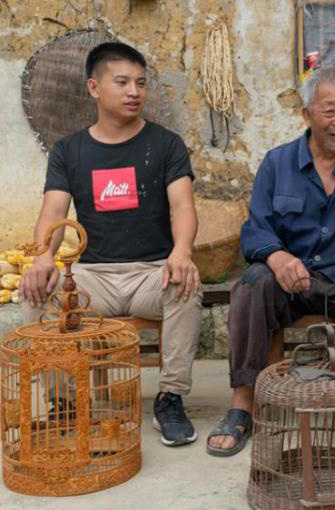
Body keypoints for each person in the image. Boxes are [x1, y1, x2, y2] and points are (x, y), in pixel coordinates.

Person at [206, 66, 335, 457]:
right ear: (306, 114)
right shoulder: (277, 164)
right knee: (251, 284)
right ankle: (242, 404)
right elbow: (256, 229)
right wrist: (278, 258)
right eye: (329, 111)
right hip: (291, 282)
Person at [19, 42, 203, 447]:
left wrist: (181, 252)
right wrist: (44, 258)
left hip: (150, 274)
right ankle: (64, 403)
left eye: (140, 82)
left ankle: (170, 398)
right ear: (94, 87)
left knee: (186, 284)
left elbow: (183, 206)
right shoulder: (69, 150)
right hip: (92, 279)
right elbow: (52, 213)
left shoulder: (166, 144)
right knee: (37, 291)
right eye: (121, 82)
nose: (134, 91)